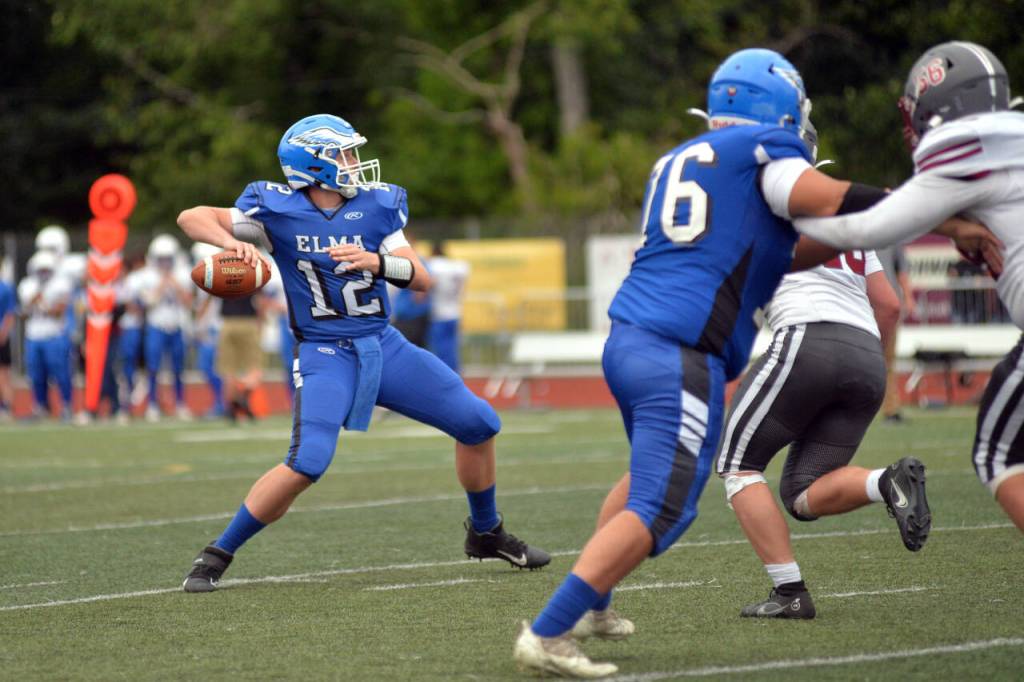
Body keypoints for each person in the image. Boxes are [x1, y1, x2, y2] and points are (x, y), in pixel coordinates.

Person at [512, 48, 996, 678]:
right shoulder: (764, 153)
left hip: (630, 339)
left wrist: (872, 228)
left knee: (644, 479)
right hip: (681, 351)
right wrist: (935, 213)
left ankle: (595, 607)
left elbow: (779, 255)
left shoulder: (681, 160)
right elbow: (829, 195)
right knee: (664, 507)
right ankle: (549, 631)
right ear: (782, 109)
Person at [175, 113, 549, 592]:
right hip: (324, 350)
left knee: (478, 424)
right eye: (344, 154)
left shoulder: (378, 205)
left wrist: (377, 261)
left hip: (383, 345)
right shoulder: (275, 208)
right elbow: (192, 217)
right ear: (314, 164)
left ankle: (486, 532)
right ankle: (216, 554)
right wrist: (233, 244)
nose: (354, 162)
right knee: (308, 461)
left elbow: (421, 278)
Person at [793, 41, 1024, 534]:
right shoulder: (1011, 136)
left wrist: (763, 258)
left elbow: (869, 225)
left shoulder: (966, 149)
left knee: (998, 455)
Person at [715, 122, 920, 621]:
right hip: (866, 354)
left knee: (738, 465)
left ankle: (790, 592)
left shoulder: (755, 202)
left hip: (807, 338)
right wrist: (874, 370)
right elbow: (889, 305)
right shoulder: (843, 206)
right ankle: (885, 482)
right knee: (802, 491)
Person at [138, 234, 193, 421]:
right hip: (156, 325)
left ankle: (180, 403)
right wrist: (163, 283)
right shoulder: (147, 276)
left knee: (178, 368)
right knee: (153, 367)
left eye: (168, 258)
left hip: (176, 325)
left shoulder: (182, 274)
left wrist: (174, 284)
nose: (165, 263)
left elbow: (188, 302)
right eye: (161, 259)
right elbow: (149, 302)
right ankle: (152, 404)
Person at [17, 251, 74, 420]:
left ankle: (66, 406)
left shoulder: (61, 284)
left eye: (46, 270)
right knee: (36, 374)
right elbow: (23, 313)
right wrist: (33, 301)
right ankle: (40, 406)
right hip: (34, 336)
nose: (43, 273)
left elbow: (59, 311)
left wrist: (44, 305)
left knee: (61, 373)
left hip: (54, 335)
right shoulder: (27, 285)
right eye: (40, 270)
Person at [876, 245, 915, 421]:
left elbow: (902, 270)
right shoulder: (855, 231)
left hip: (887, 306)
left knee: (888, 360)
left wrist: (908, 297)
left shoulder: (893, 236)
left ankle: (891, 409)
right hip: (861, 303)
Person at [191, 242, 226, 418]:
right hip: (212, 327)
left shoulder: (212, 278)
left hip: (213, 328)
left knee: (211, 368)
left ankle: (221, 403)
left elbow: (205, 305)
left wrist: (198, 325)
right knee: (208, 368)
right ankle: (220, 402)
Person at [218, 291, 264, 422]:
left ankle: (232, 406)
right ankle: (243, 397)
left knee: (229, 370)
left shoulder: (222, 276)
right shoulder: (253, 276)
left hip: (227, 323)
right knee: (254, 366)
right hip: (248, 322)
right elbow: (260, 301)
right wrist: (261, 321)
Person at [427, 242, 470, 372]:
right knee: (452, 348)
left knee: (439, 350)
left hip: (437, 313)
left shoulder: (432, 266)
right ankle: (455, 375)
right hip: (455, 312)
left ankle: (443, 375)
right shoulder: (456, 266)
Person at [116, 253, 147, 417]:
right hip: (118, 329)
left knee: (133, 363)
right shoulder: (114, 285)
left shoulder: (135, 282)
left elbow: (139, 306)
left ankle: (131, 396)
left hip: (133, 328)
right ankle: (123, 399)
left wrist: (129, 305)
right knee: (120, 366)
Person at [0, 271, 16, 420]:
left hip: (1, 336)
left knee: (3, 373)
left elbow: (10, 313)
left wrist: (3, 333)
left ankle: (6, 406)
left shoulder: (5, 288)